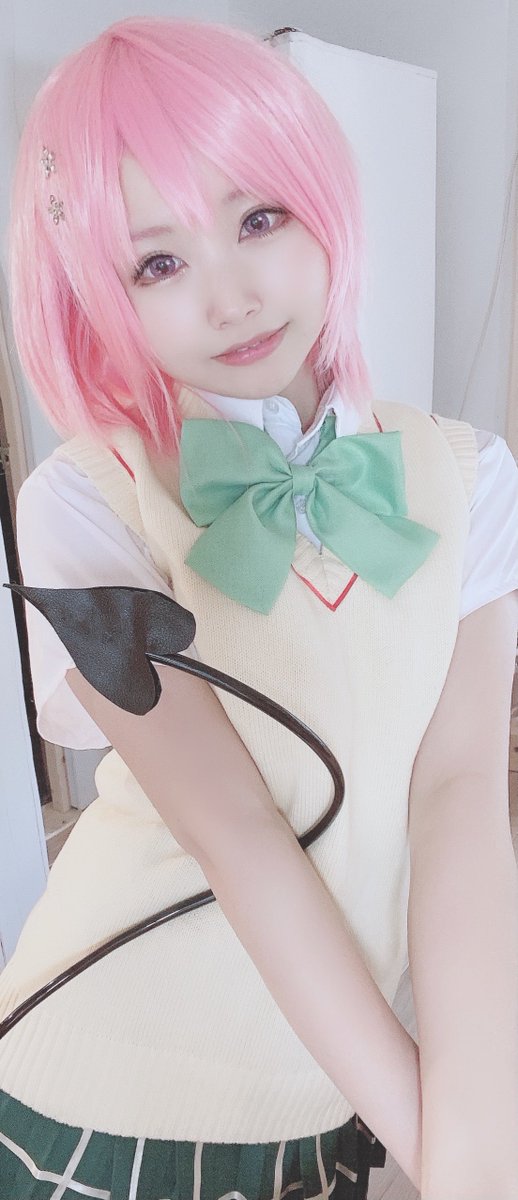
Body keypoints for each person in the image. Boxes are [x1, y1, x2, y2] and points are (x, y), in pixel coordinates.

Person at [1, 14, 517, 1200]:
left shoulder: (466, 477)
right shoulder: (86, 500)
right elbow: (234, 831)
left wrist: (472, 1141)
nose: (230, 296)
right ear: (98, 295)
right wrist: (444, 1154)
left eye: (257, 218)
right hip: (104, 1095)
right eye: (158, 264)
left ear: (320, 201)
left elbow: (456, 800)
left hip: (324, 1105)